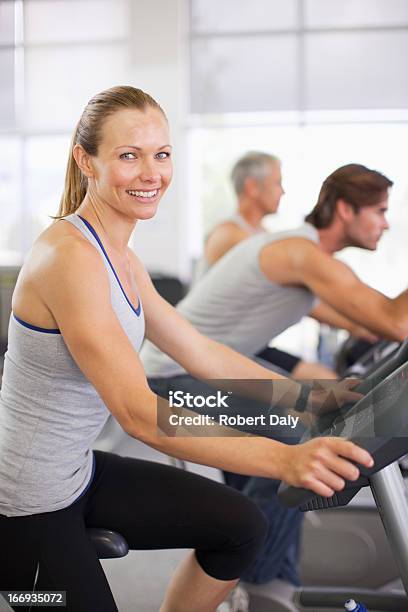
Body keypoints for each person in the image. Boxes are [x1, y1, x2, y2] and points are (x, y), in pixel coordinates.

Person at [0, 86, 373, 612]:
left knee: (241, 525)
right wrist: (284, 460)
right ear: (86, 160)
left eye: (162, 154)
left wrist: (306, 398)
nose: (152, 173)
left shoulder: (121, 257)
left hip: (79, 472)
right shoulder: (69, 258)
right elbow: (138, 414)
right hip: (27, 504)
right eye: (129, 155)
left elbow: (199, 350)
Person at [141, 162, 408, 588]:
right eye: (379, 211)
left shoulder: (301, 259)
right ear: (344, 210)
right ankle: (255, 578)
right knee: (302, 448)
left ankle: (278, 576)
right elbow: (396, 321)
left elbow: (367, 323)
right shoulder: (301, 254)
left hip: (205, 373)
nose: (386, 224)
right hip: (170, 383)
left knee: (315, 419)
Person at [200, 150, 368, 380]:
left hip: (249, 343)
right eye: (277, 183)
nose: (283, 191)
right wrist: (355, 325)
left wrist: (358, 320)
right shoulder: (230, 235)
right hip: (215, 347)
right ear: (252, 187)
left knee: (329, 379)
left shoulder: (263, 237)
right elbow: (305, 301)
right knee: (325, 382)